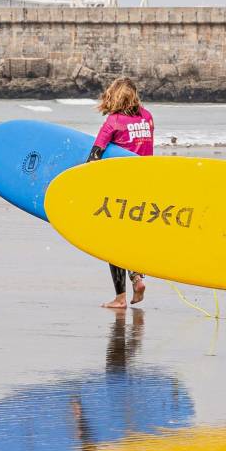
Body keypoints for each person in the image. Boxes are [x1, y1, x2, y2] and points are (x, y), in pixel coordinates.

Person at [87, 77, 154, 308]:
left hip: (120, 189)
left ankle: (120, 298)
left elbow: (94, 157)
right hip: (145, 186)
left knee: (112, 242)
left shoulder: (113, 122)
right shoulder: (147, 117)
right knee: (133, 236)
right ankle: (137, 277)